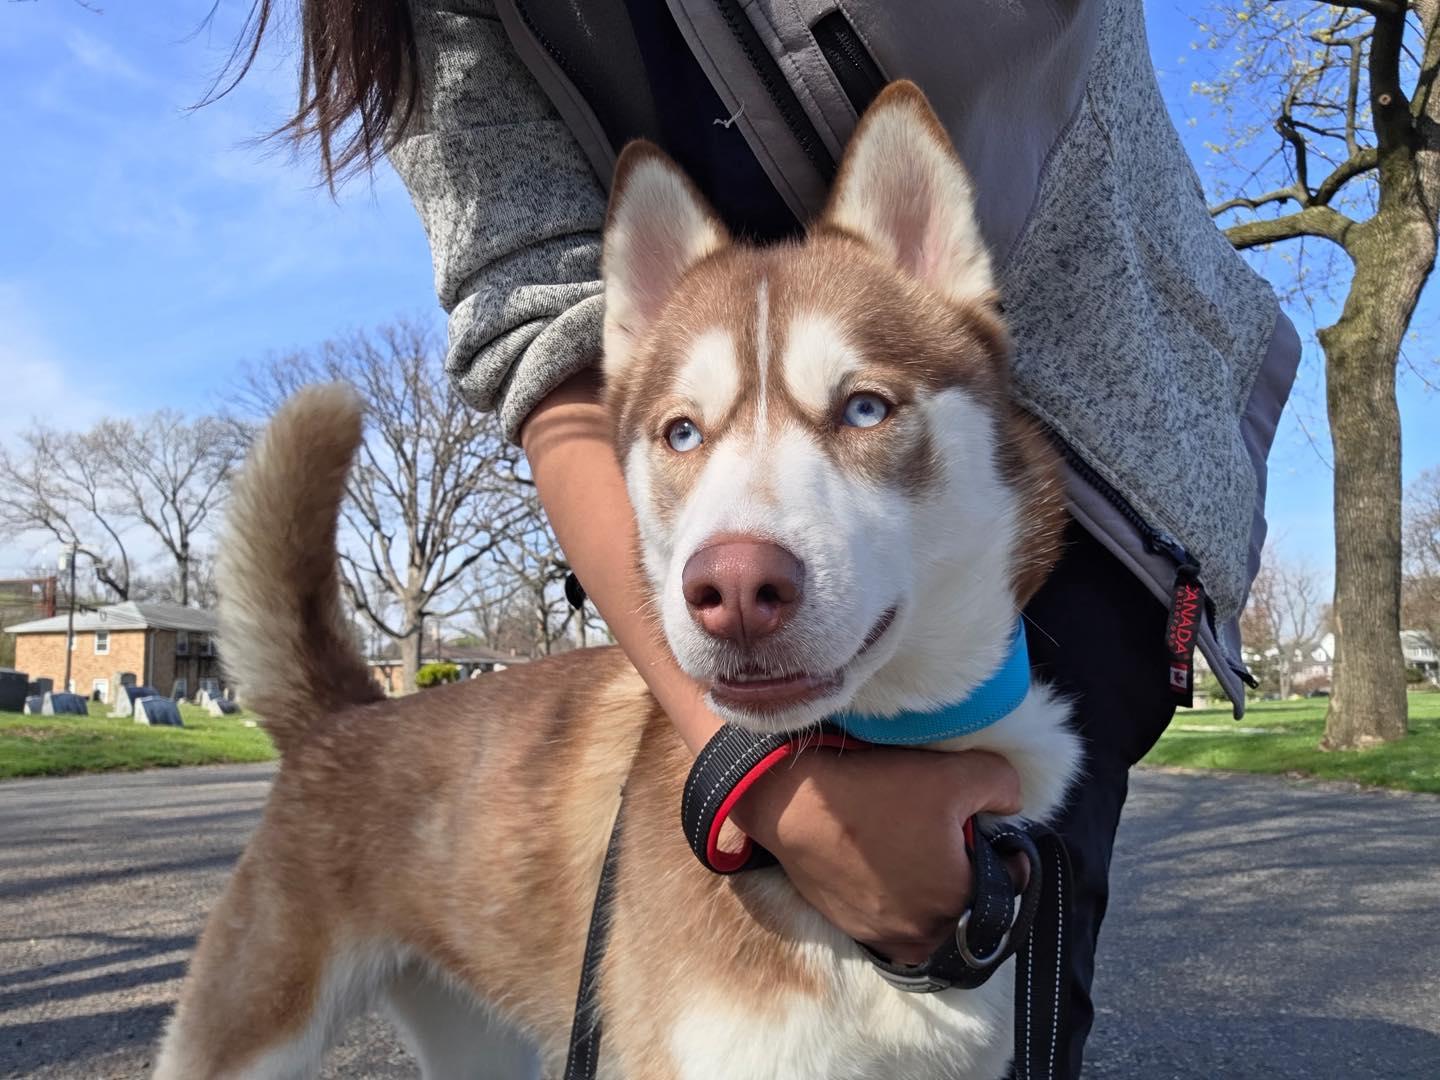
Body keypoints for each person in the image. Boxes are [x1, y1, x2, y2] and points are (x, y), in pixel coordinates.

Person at [227, 1, 1300, 1073]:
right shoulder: (436, 21)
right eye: (683, 431)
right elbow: (544, 324)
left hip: (1087, 499)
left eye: (858, 408)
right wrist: (759, 777)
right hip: (726, 731)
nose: (739, 555)